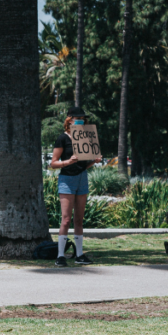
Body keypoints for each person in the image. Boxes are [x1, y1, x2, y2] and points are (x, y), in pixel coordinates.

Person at [49, 106, 102, 267]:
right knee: (66, 220)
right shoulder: (62, 138)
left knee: (79, 220)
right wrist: (68, 162)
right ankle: (60, 255)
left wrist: (94, 161)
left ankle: (79, 254)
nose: (80, 120)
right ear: (69, 119)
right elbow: (53, 163)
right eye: (77, 118)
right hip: (66, 179)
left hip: (81, 178)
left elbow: (82, 166)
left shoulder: (85, 138)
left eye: (83, 118)